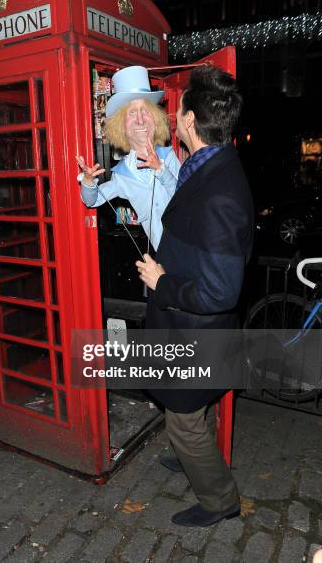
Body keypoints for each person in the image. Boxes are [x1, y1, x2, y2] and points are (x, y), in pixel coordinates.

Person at [136, 64, 254, 527]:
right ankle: (189, 457)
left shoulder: (220, 190)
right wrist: (164, 167)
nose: (174, 113)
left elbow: (220, 291)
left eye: (178, 107)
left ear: (189, 120)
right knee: (185, 410)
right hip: (189, 328)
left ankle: (219, 498)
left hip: (195, 330)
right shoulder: (212, 163)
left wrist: (161, 281)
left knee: (184, 421)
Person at [77, 66, 180, 251]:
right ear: (122, 127)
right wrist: (88, 180)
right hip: (163, 253)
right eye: (132, 113)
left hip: (190, 245)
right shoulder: (122, 175)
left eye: (145, 111)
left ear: (155, 119)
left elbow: (185, 198)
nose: (140, 120)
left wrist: (161, 171)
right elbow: (92, 201)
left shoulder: (168, 156)